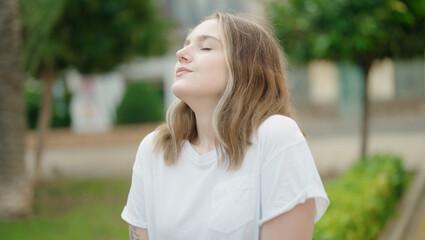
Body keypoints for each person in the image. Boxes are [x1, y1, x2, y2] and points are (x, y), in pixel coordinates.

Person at [121, 12, 329, 240]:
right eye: (185, 45)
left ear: (244, 67)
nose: (182, 54)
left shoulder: (276, 136)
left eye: (206, 47)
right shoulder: (154, 149)